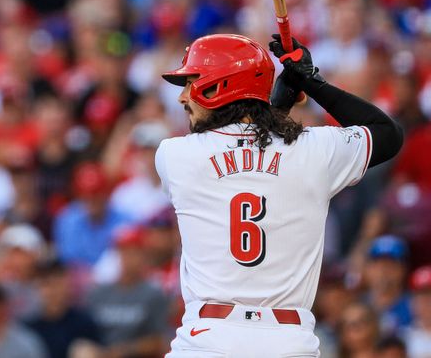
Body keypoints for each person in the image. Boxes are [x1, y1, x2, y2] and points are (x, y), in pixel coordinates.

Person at [157, 33, 403, 357]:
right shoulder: (313, 150)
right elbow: (387, 133)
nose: (183, 97)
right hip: (288, 341)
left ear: (219, 87)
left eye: (191, 83)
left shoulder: (174, 156)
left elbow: (243, 151)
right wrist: (313, 83)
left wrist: (278, 104)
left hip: (206, 340)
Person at [87, 227, 171, 358]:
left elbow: (159, 341)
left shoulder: (153, 294)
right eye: (124, 252)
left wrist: (125, 350)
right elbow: (87, 332)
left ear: (144, 256)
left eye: (134, 252)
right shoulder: (100, 293)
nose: (128, 258)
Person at [25, 259, 101, 358]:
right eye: (46, 284)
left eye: (57, 283)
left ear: (67, 285)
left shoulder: (84, 322)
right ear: (37, 288)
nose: (53, 291)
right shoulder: (29, 325)